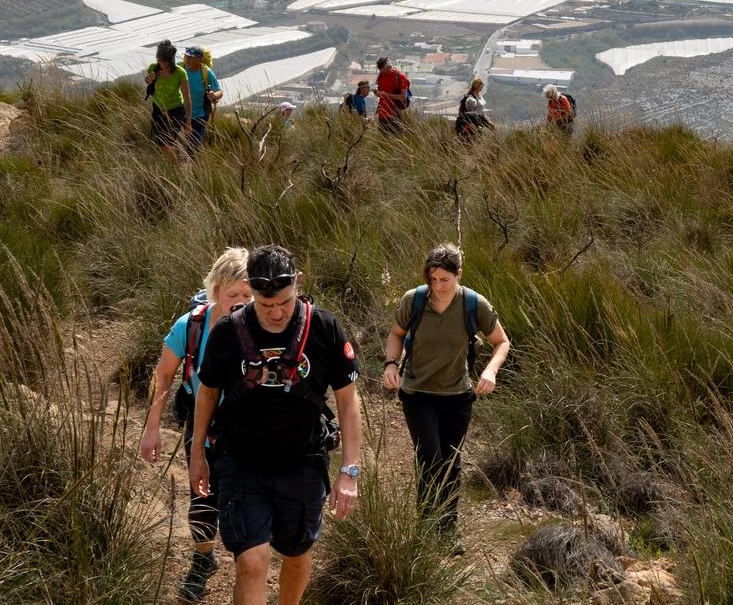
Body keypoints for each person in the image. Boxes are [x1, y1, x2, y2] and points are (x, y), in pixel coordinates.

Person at [189, 246, 363, 605]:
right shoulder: (228, 332)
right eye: (265, 304)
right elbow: (207, 393)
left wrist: (349, 472)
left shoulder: (325, 328)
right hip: (240, 462)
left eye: (283, 301)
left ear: (297, 284)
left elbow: (348, 402)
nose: (276, 312)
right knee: (253, 561)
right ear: (251, 290)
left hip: (302, 462)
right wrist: (197, 454)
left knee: (297, 555)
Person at [139, 249, 253, 602]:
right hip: (202, 425)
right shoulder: (191, 326)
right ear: (215, 290)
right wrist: (152, 427)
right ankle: (204, 559)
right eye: (233, 295)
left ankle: (248, 567)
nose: (241, 303)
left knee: (244, 496)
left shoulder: (262, 327)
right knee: (201, 492)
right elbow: (163, 375)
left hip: (249, 427)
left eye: (248, 295)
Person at [382, 244, 510, 547]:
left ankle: (448, 530)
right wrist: (390, 364)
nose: (437, 286)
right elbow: (396, 333)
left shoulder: (472, 304)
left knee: (451, 462)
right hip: (417, 393)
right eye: (433, 279)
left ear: (458, 275)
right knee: (430, 459)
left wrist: (490, 371)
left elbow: (501, 342)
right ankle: (426, 530)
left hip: (457, 395)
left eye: (444, 280)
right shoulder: (413, 301)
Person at [146, 39, 193, 162]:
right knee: (162, 142)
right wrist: (150, 79)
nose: (161, 62)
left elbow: (187, 97)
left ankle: (176, 166)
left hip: (176, 110)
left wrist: (188, 122)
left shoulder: (180, 73)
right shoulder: (153, 68)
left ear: (170, 59)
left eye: (164, 60)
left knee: (168, 142)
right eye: (159, 59)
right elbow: (147, 81)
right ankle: (176, 162)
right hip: (158, 110)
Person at [183, 46, 224, 154]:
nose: (187, 59)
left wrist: (214, 95)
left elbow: (220, 91)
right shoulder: (182, 70)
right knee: (183, 142)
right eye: (186, 56)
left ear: (200, 59)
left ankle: (191, 167)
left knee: (194, 144)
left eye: (191, 57)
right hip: (183, 114)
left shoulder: (206, 72)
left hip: (201, 115)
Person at [374, 57, 409, 136]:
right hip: (382, 113)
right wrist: (377, 93)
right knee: (383, 141)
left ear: (389, 67)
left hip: (395, 113)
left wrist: (386, 95)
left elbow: (403, 97)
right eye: (380, 70)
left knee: (396, 139)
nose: (382, 72)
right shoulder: (381, 76)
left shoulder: (400, 76)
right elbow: (380, 91)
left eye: (384, 70)